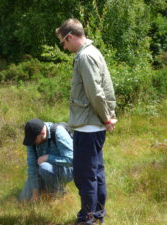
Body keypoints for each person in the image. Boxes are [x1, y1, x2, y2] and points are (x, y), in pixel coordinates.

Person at [56, 18, 117, 224]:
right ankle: (98, 214)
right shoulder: (94, 52)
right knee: (96, 172)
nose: (64, 47)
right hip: (93, 123)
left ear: (70, 37)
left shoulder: (85, 57)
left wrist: (107, 118)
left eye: (63, 43)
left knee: (84, 175)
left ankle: (87, 218)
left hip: (89, 126)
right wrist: (106, 117)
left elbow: (96, 93)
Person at [20, 118, 73, 202]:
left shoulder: (58, 132)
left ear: (43, 133)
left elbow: (71, 160)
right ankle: (45, 188)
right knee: (24, 198)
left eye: (34, 141)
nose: (32, 143)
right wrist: (35, 193)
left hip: (67, 170)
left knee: (44, 167)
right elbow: (32, 165)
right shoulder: (33, 137)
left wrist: (48, 158)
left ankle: (58, 193)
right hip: (44, 170)